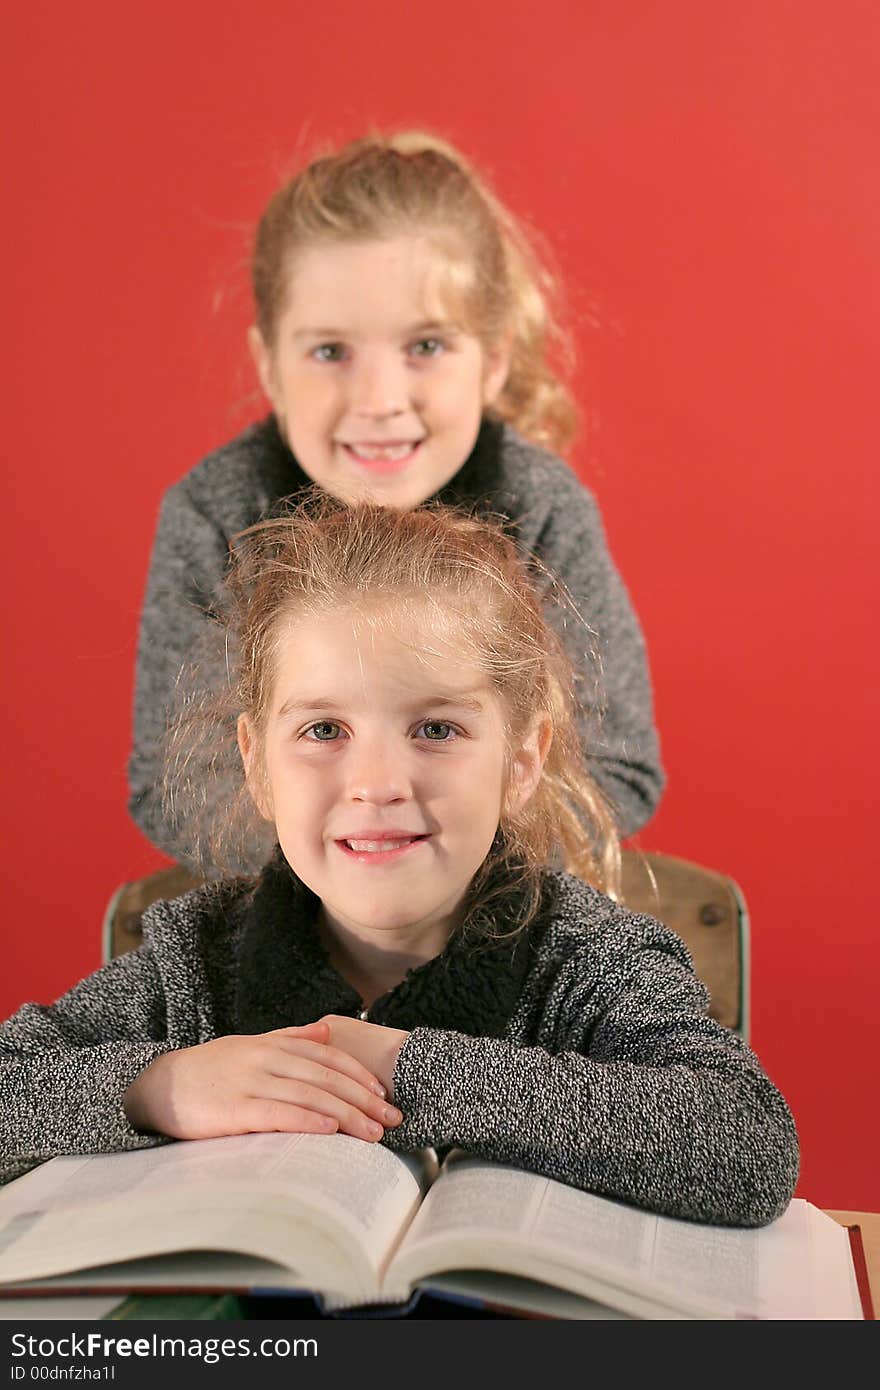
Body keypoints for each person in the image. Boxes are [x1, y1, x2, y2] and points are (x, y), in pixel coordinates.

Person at [2, 501, 798, 1228]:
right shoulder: (193, 963)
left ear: (520, 764)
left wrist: (405, 1069)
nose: (378, 784)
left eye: (437, 730)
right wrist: (159, 1087)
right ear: (255, 763)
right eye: (323, 731)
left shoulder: (591, 962)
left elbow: (751, 1148)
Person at [129, 128, 665, 872]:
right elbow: (173, 783)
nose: (380, 402)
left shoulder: (539, 506)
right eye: (330, 352)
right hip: (286, 922)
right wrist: (350, 879)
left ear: (493, 360)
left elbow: (618, 768)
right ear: (270, 366)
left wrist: (439, 878)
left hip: (503, 931)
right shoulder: (220, 510)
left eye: (426, 347)